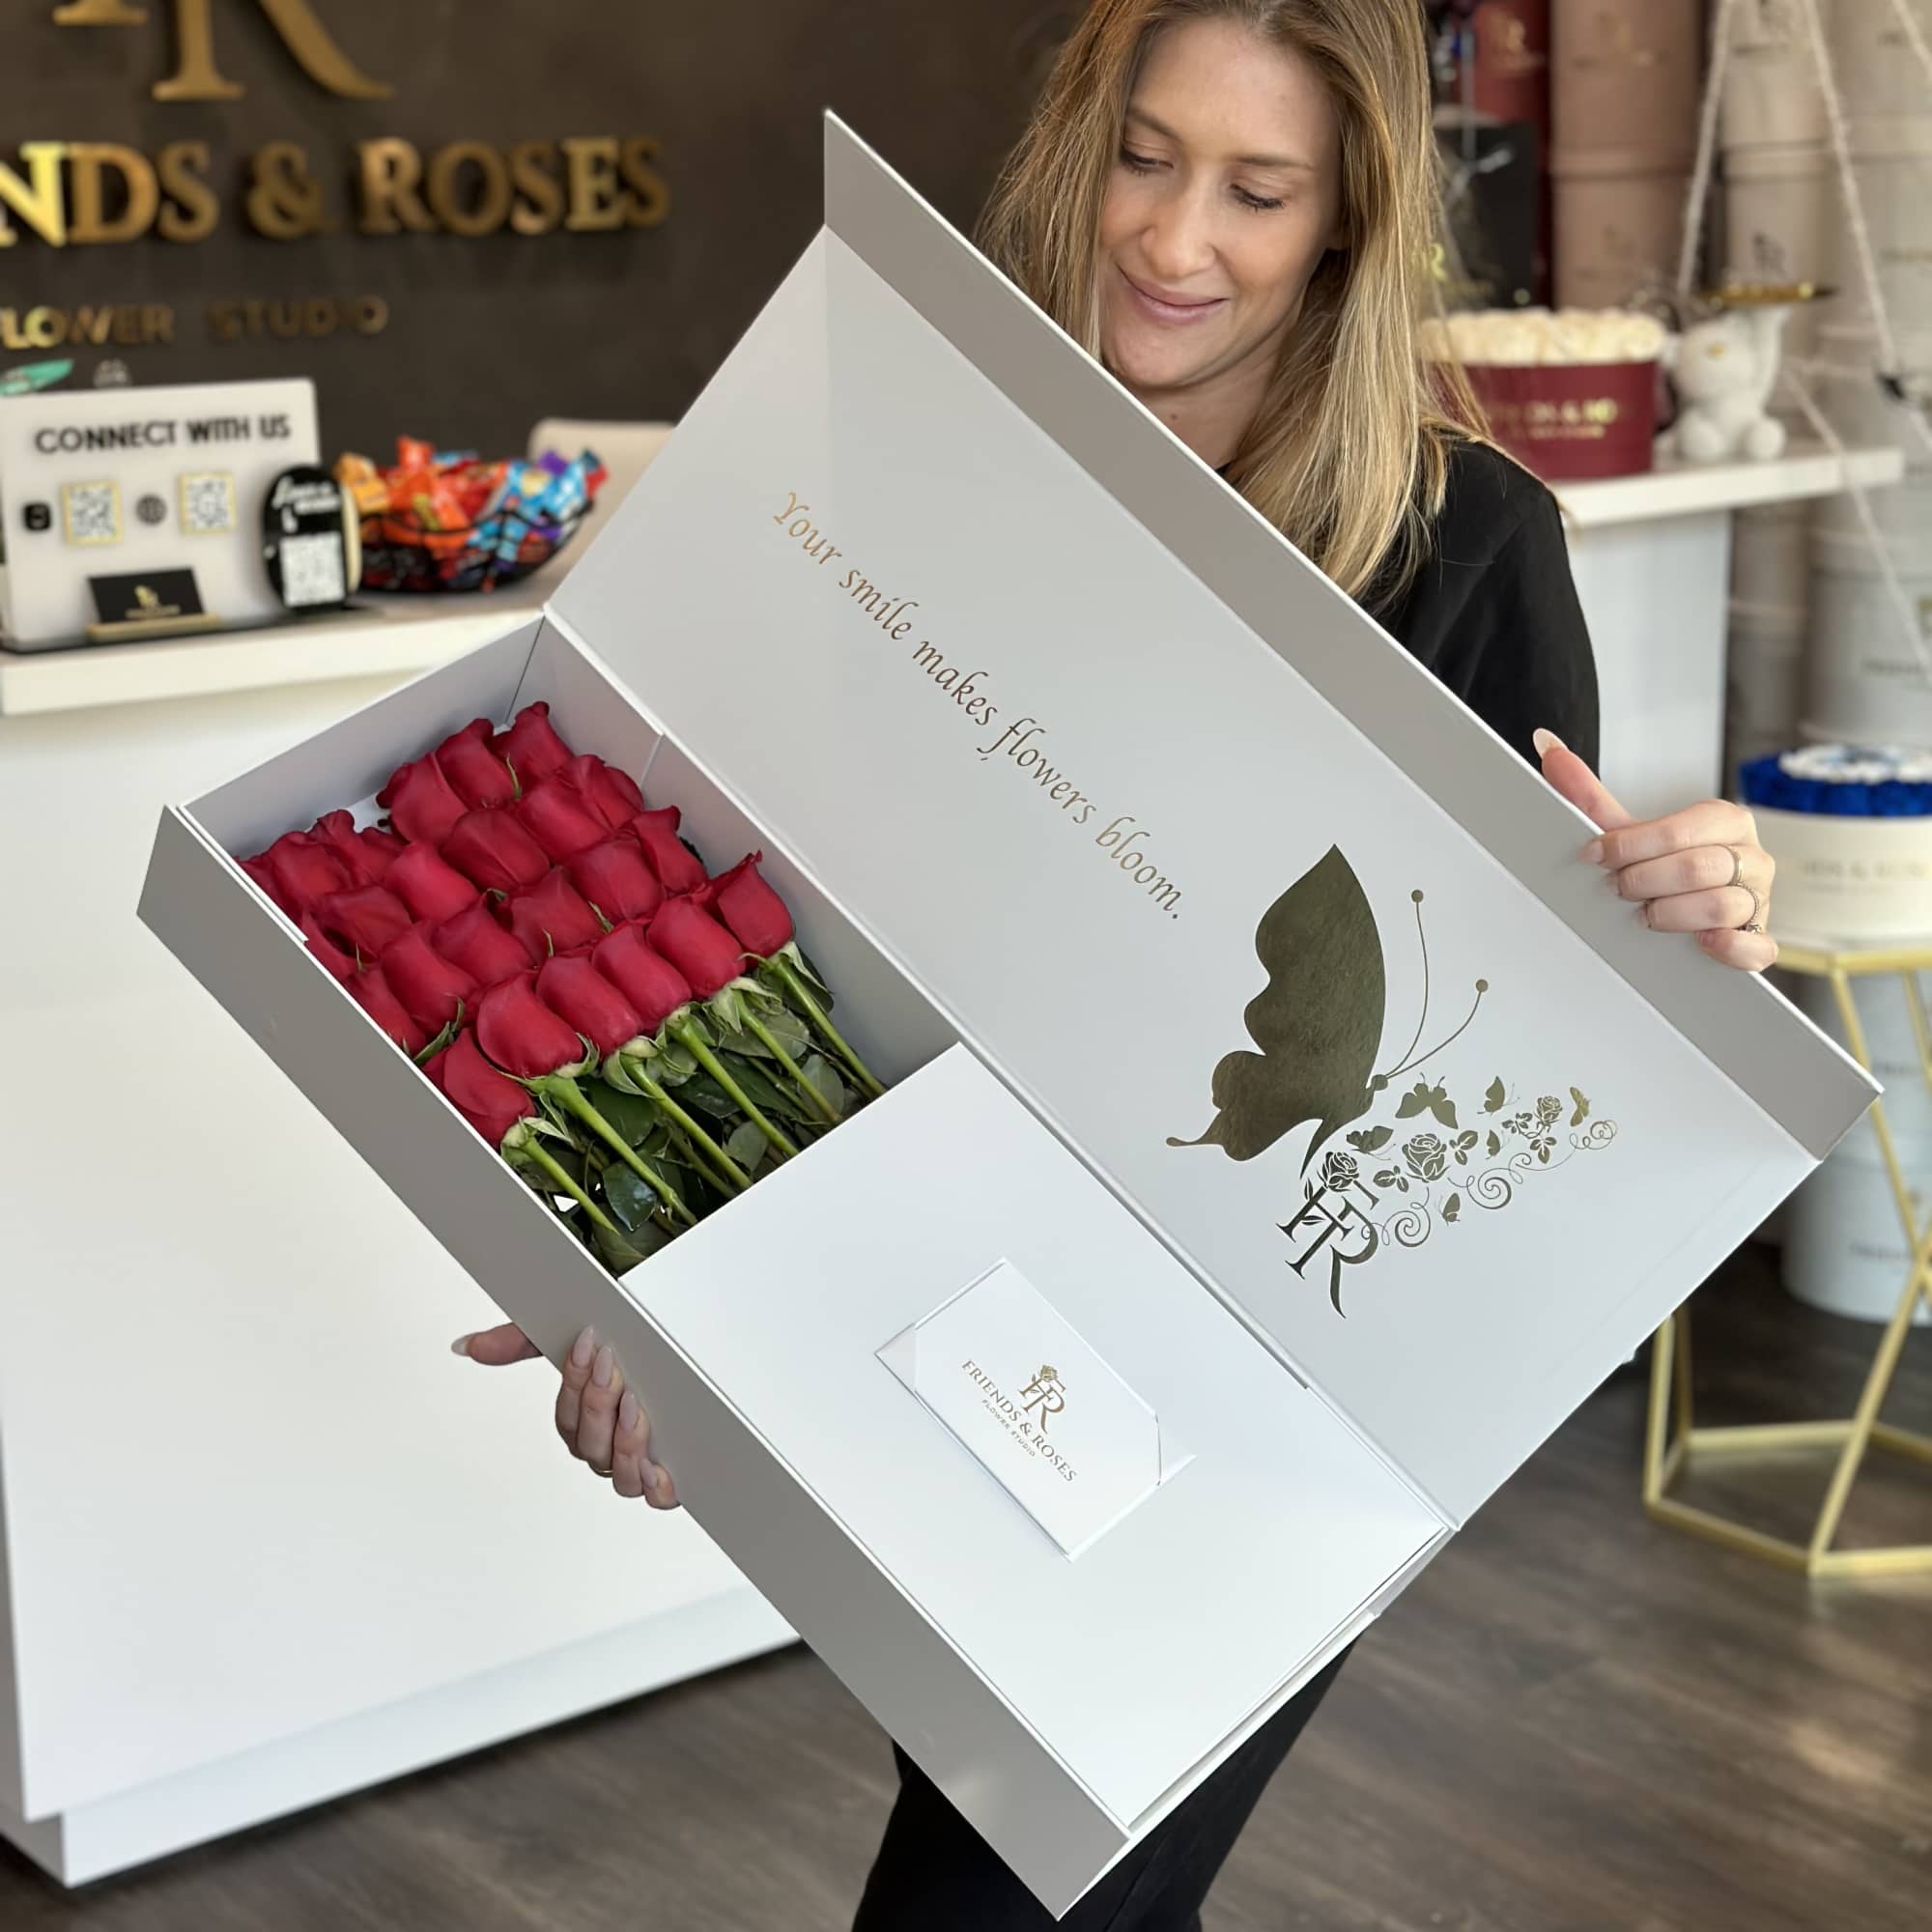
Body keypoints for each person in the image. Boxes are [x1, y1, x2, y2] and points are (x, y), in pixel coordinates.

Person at [453, 2, 1776, 1924]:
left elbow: (1561, 1046)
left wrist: (1698, 905)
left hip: (1260, 1399)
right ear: (1081, 143)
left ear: (1344, 226)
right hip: (941, 1293)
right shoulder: (912, 471)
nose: (1172, 240)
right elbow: (782, 922)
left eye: (1257, 190)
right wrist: (655, 1275)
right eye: (1147, 157)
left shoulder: (1465, 539)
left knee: (1004, 1887)